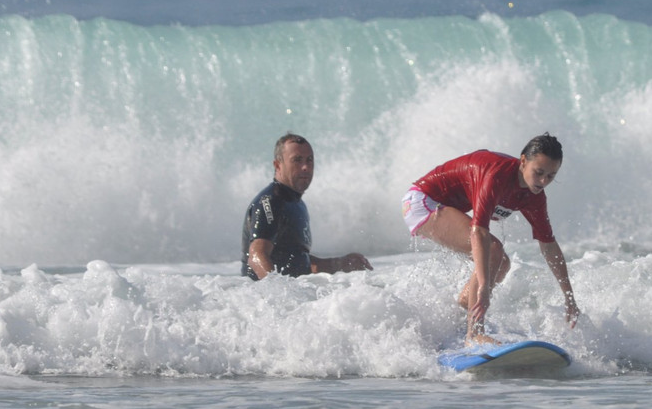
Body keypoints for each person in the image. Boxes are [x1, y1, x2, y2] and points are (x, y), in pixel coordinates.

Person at [402, 133, 580, 342]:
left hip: (445, 207)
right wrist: (485, 290)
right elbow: (480, 232)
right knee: (493, 252)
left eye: (551, 176)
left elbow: (548, 245)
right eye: (539, 172)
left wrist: (569, 297)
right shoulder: (496, 175)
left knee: (502, 263)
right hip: (422, 201)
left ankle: (459, 319)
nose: (543, 181)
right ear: (523, 162)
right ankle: (474, 334)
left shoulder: (534, 197)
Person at [242, 133, 372, 279]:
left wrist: (340, 263)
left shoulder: (297, 204)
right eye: (297, 160)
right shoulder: (270, 202)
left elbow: (298, 261)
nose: (305, 167)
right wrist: (281, 294)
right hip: (261, 298)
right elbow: (256, 256)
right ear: (278, 165)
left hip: (293, 293)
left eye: (309, 160)